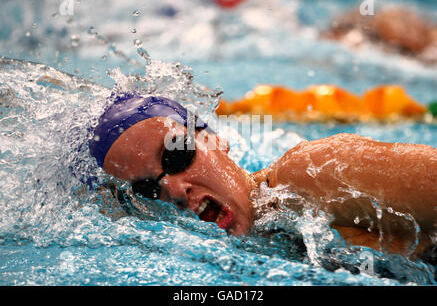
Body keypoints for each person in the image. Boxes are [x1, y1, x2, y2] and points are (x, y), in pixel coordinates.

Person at [89, 93, 437, 261]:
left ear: (213, 139)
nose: (175, 188)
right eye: (150, 188)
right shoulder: (259, 243)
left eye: (176, 155)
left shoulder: (312, 173)